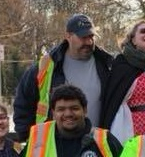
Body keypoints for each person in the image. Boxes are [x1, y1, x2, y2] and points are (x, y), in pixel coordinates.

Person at [13, 13, 113, 141]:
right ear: (68, 36)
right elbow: (23, 102)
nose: (89, 42)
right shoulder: (47, 66)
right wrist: (26, 137)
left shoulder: (107, 65)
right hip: (54, 145)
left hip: (97, 144)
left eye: (91, 36)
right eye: (83, 37)